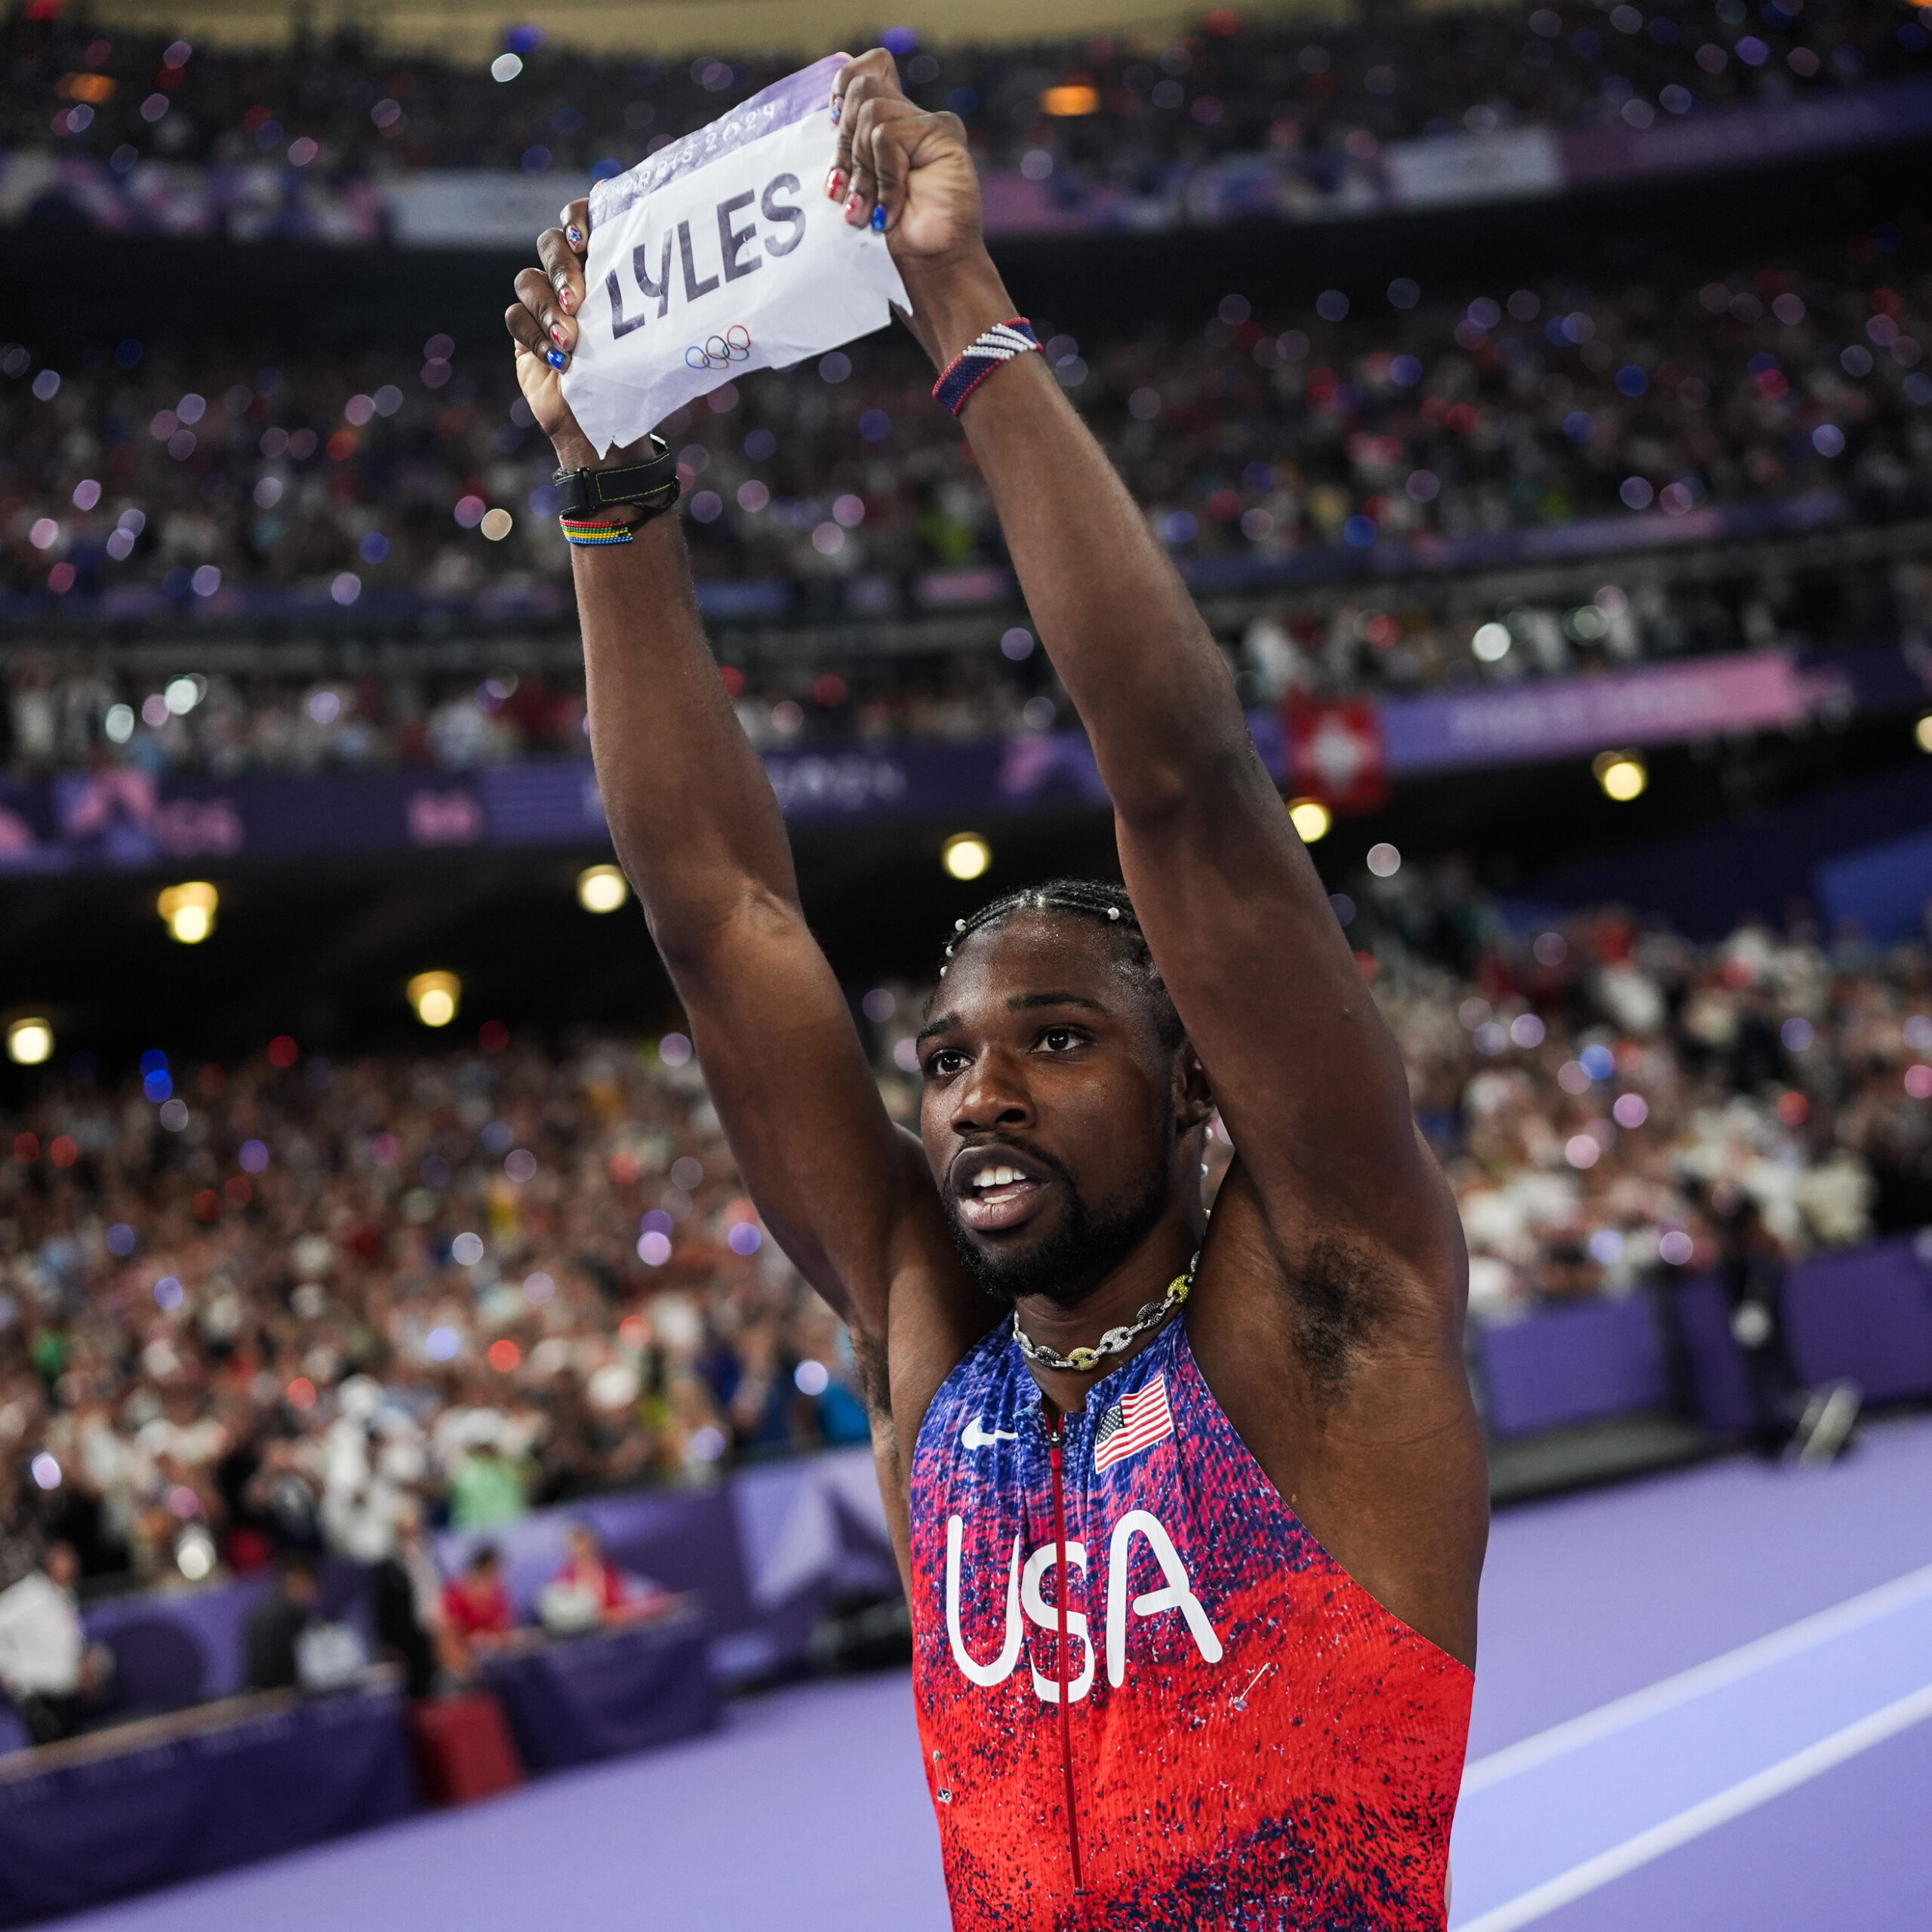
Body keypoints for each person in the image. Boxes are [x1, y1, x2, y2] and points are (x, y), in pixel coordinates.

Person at [505, 48, 1484, 1928]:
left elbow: (1183, 784)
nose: (973, 1094)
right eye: (945, 1055)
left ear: (1193, 1083)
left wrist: (957, 304)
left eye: (1054, 1037)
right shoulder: (931, 1350)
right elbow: (718, 915)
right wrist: (610, 494)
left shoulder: (1331, 1311)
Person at [0, 1543, 109, 1744]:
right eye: (67, 1559)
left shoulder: (64, 1594)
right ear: (52, 1562)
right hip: (41, 1695)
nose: (74, 1564)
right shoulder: (29, 1596)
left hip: (67, 1690)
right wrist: (13, 1670)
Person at [244, 1549, 321, 1692]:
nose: (312, 1593)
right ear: (296, 1581)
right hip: (277, 1695)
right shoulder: (280, 1617)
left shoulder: (294, 1613)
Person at [439, 1546, 516, 1678]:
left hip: (497, 1658)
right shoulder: (457, 1592)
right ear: (486, 1566)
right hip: (465, 1659)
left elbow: (505, 1625)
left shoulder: (498, 1592)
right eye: (496, 1567)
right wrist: (462, 1664)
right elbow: (449, 1633)